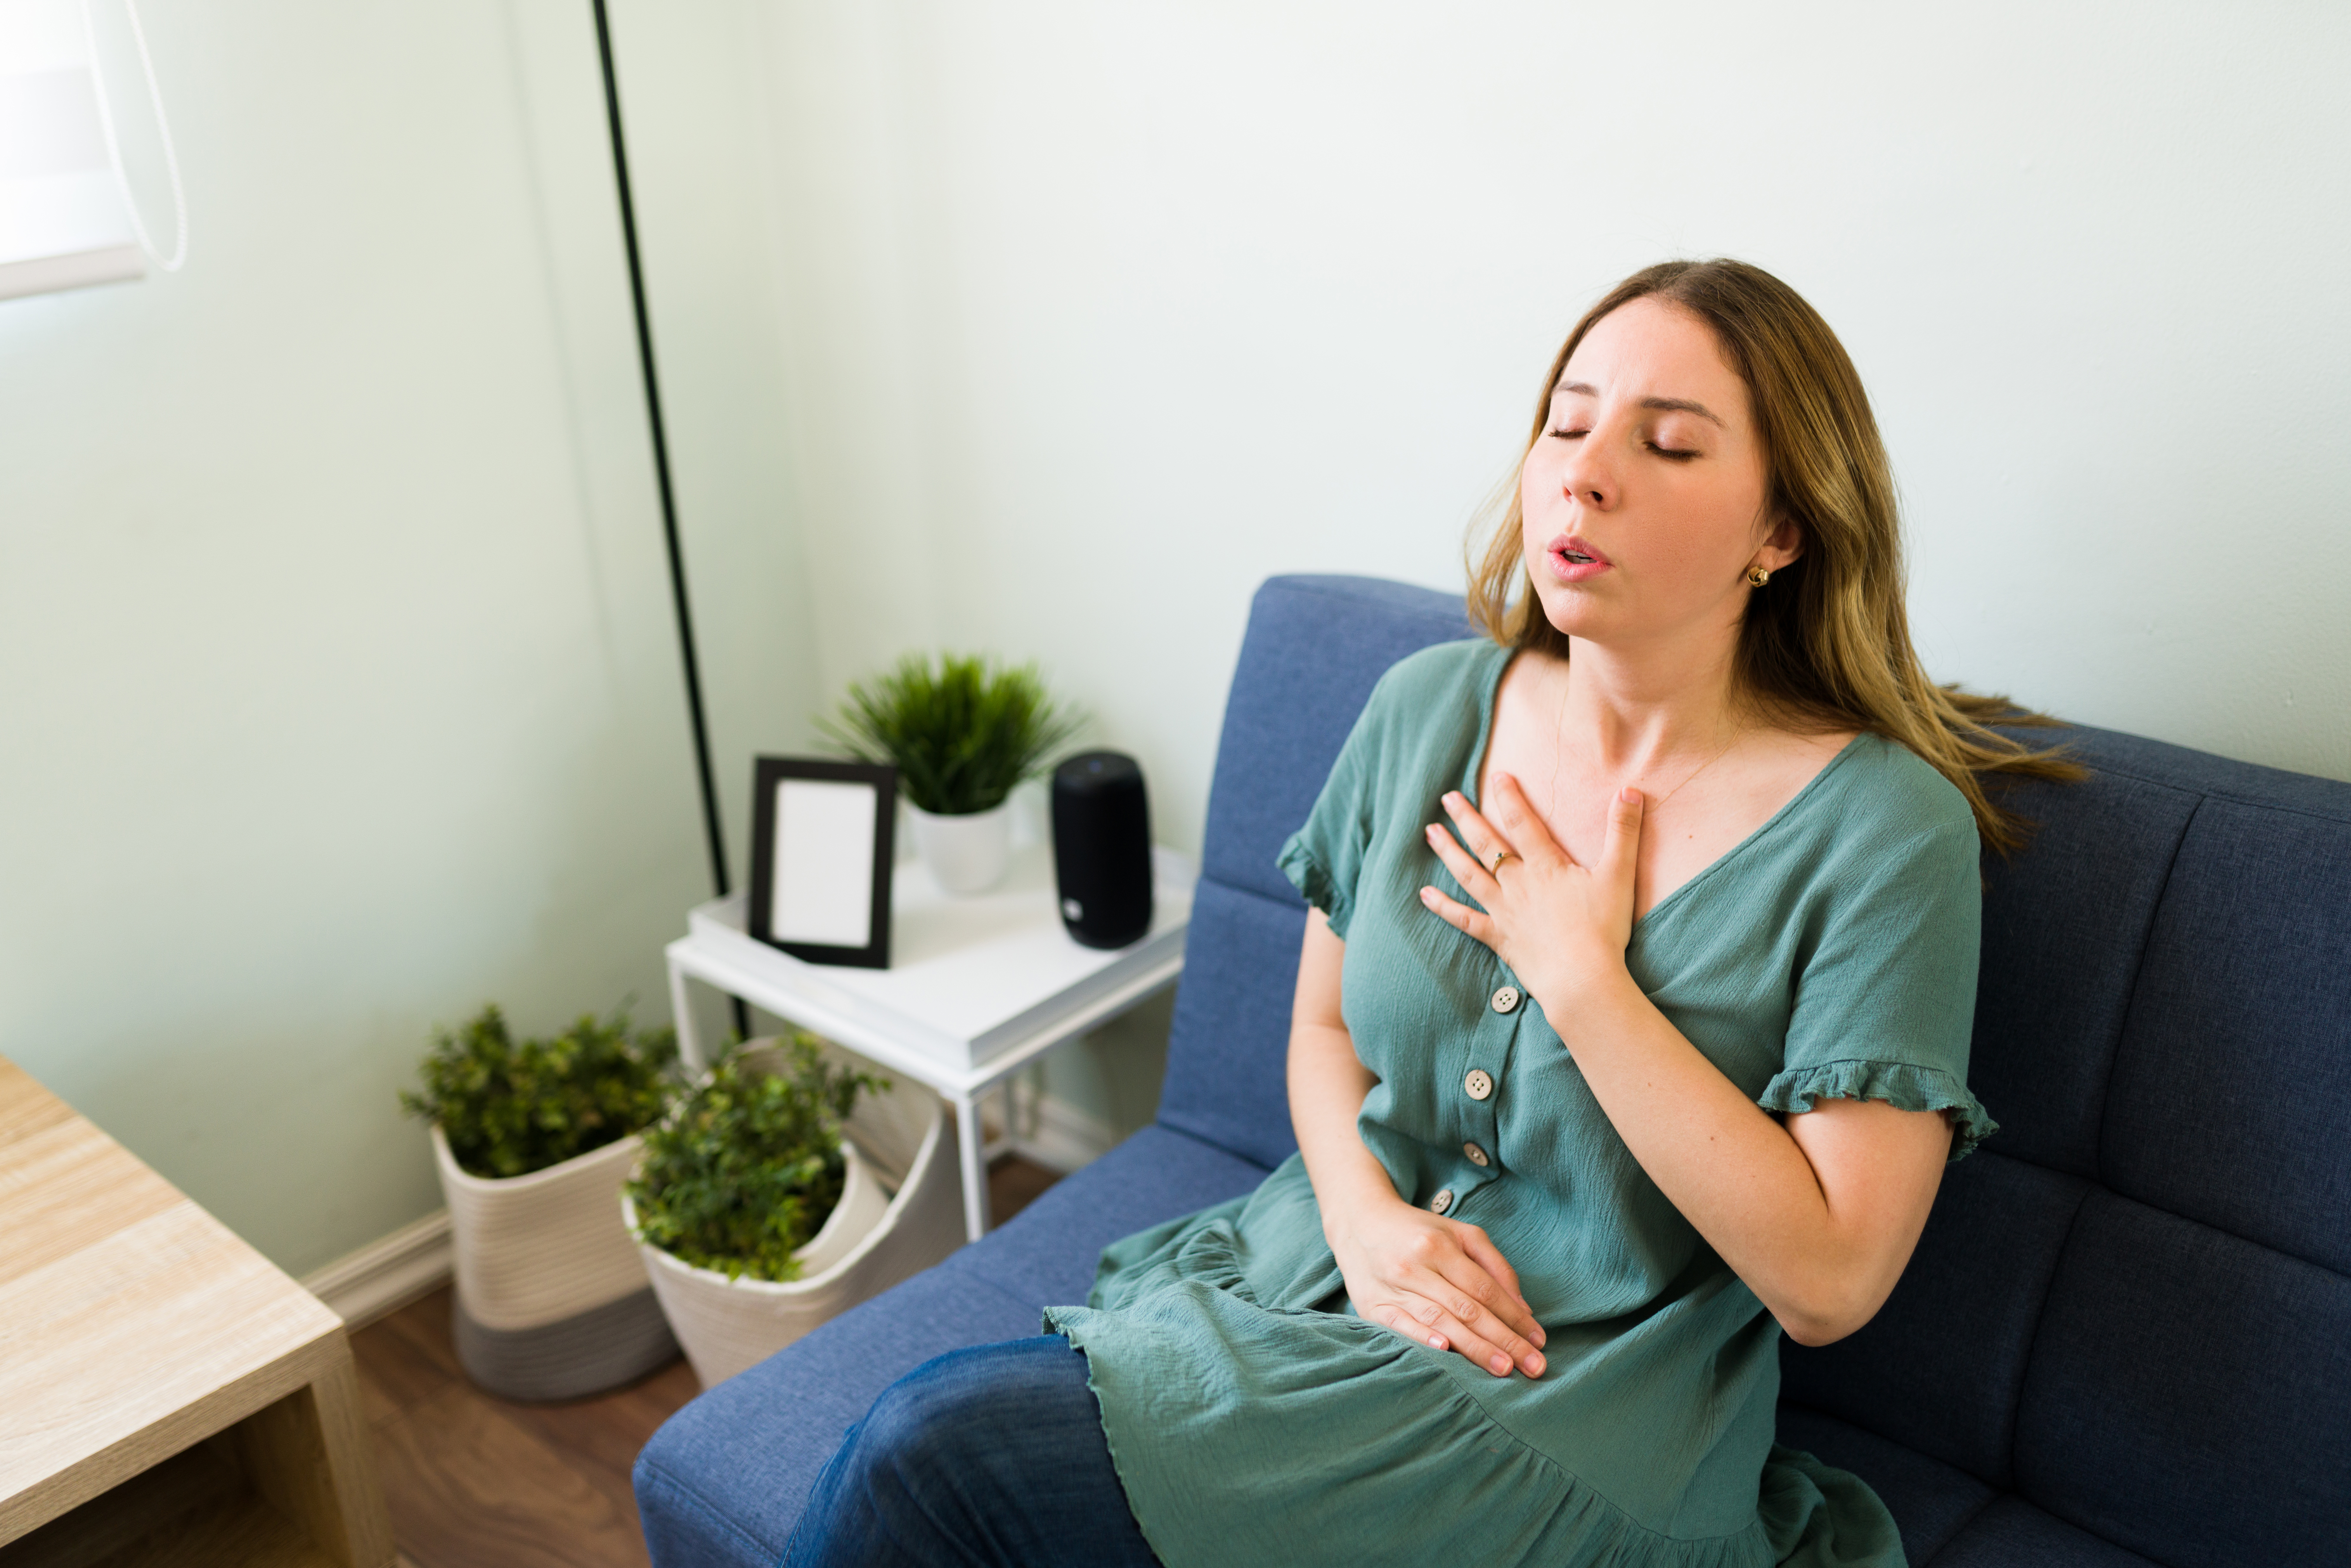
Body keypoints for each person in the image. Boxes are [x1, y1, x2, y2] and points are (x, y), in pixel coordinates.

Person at [781, 258, 2075, 1568]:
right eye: (1564, 423)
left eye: (1667, 444)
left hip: (1558, 1411)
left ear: (1780, 532)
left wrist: (1583, 981)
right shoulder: (1423, 709)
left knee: (933, 1458)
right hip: (1319, 1278)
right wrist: (1361, 1220)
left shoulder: (1884, 831)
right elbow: (1320, 1035)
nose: (1584, 474)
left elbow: (1830, 1282)